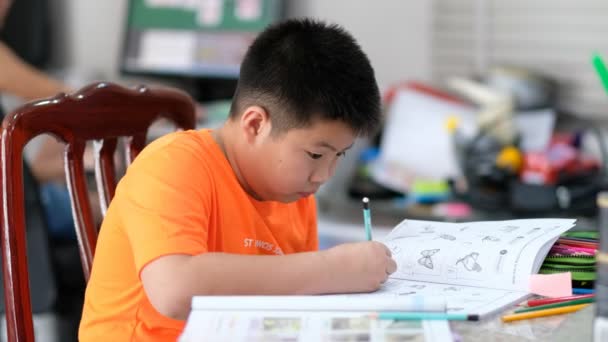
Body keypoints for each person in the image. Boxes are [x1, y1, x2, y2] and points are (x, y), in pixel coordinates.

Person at [79, 18, 396, 341]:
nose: (324, 175)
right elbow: (175, 290)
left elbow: (299, 300)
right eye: (316, 155)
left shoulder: (295, 194)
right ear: (256, 124)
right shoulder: (173, 162)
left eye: (339, 156)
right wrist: (331, 269)